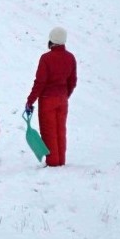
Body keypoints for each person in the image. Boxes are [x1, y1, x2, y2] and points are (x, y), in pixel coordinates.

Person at [25, 26, 77, 167]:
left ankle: (53, 163)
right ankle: (61, 161)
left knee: (49, 131)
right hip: (62, 99)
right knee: (61, 130)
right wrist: (66, 95)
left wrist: (30, 101)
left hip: (48, 99)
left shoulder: (46, 58)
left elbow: (40, 82)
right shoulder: (70, 57)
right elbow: (72, 81)